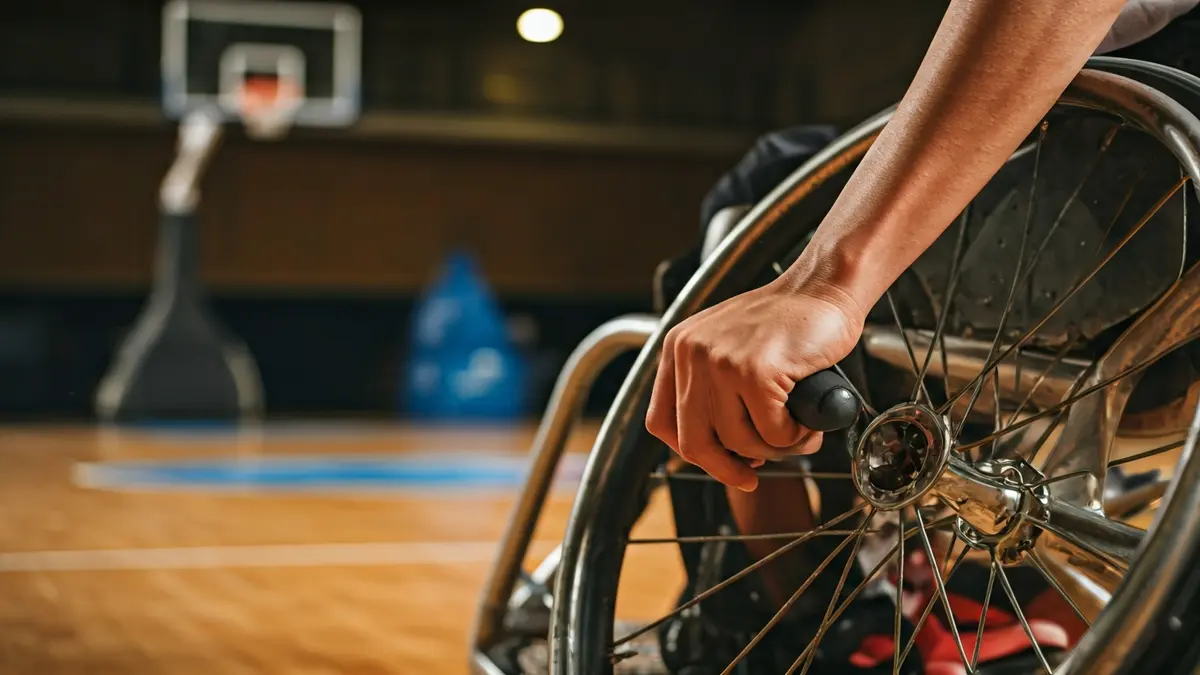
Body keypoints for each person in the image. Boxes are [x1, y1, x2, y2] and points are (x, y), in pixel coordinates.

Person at [645, 0, 1199, 491]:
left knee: (766, 183)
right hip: (1146, 236)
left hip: (1139, 198)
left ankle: (775, 593)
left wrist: (823, 284)